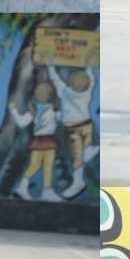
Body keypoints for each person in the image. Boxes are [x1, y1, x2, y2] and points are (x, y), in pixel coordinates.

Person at [46, 64, 97, 199]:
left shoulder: (65, 92)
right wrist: (88, 68)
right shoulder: (87, 93)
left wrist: (50, 67)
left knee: (77, 157)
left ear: (70, 83)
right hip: (86, 125)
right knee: (85, 148)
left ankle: (78, 182)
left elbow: (55, 79)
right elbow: (92, 81)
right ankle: (89, 149)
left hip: (73, 129)